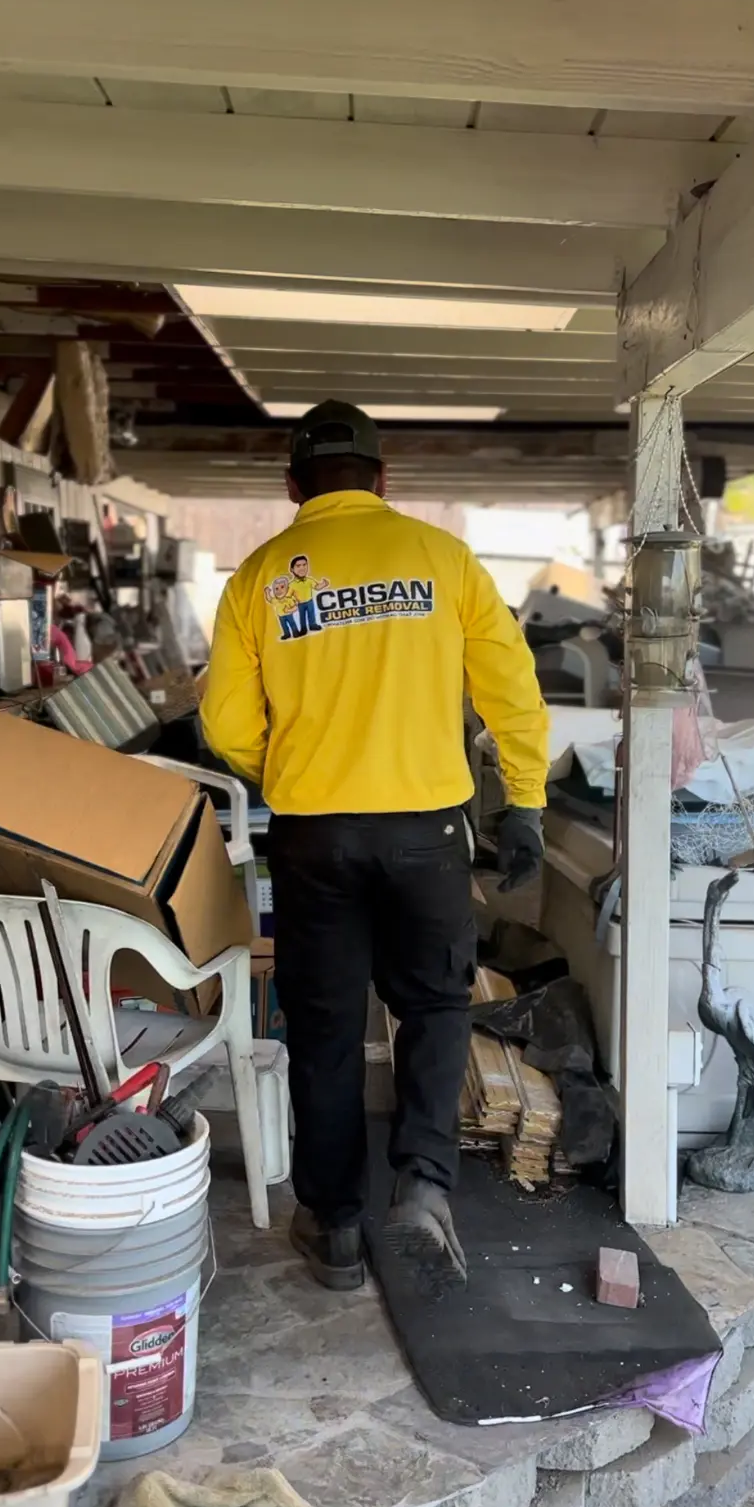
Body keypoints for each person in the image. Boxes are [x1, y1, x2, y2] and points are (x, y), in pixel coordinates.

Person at [202, 401, 548, 1293]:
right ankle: (425, 1187)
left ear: (292, 488)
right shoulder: (443, 560)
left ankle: (337, 1228)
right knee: (433, 1010)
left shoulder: (261, 578)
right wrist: (527, 803)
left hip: (314, 836)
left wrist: (288, 768)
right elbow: (513, 690)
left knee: (322, 1030)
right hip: (429, 833)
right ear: (382, 480)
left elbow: (225, 724)